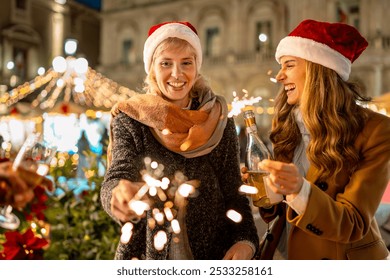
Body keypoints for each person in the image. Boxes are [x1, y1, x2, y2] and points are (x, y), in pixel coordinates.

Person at [100, 21, 259, 260]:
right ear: (152, 68)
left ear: (197, 66)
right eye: (166, 63)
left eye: (186, 62)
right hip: (146, 256)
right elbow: (117, 174)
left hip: (214, 255)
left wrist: (245, 241)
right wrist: (118, 194)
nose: (177, 74)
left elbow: (234, 193)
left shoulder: (218, 118)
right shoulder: (131, 118)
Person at [248, 19, 390, 260]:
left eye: (289, 65)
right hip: (288, 254)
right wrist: (268, 191)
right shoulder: (285, 122)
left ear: (318, 69)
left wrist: (299, 189)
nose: (280, 76)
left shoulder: (376, 129)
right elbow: (280, 211)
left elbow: (352, 223)